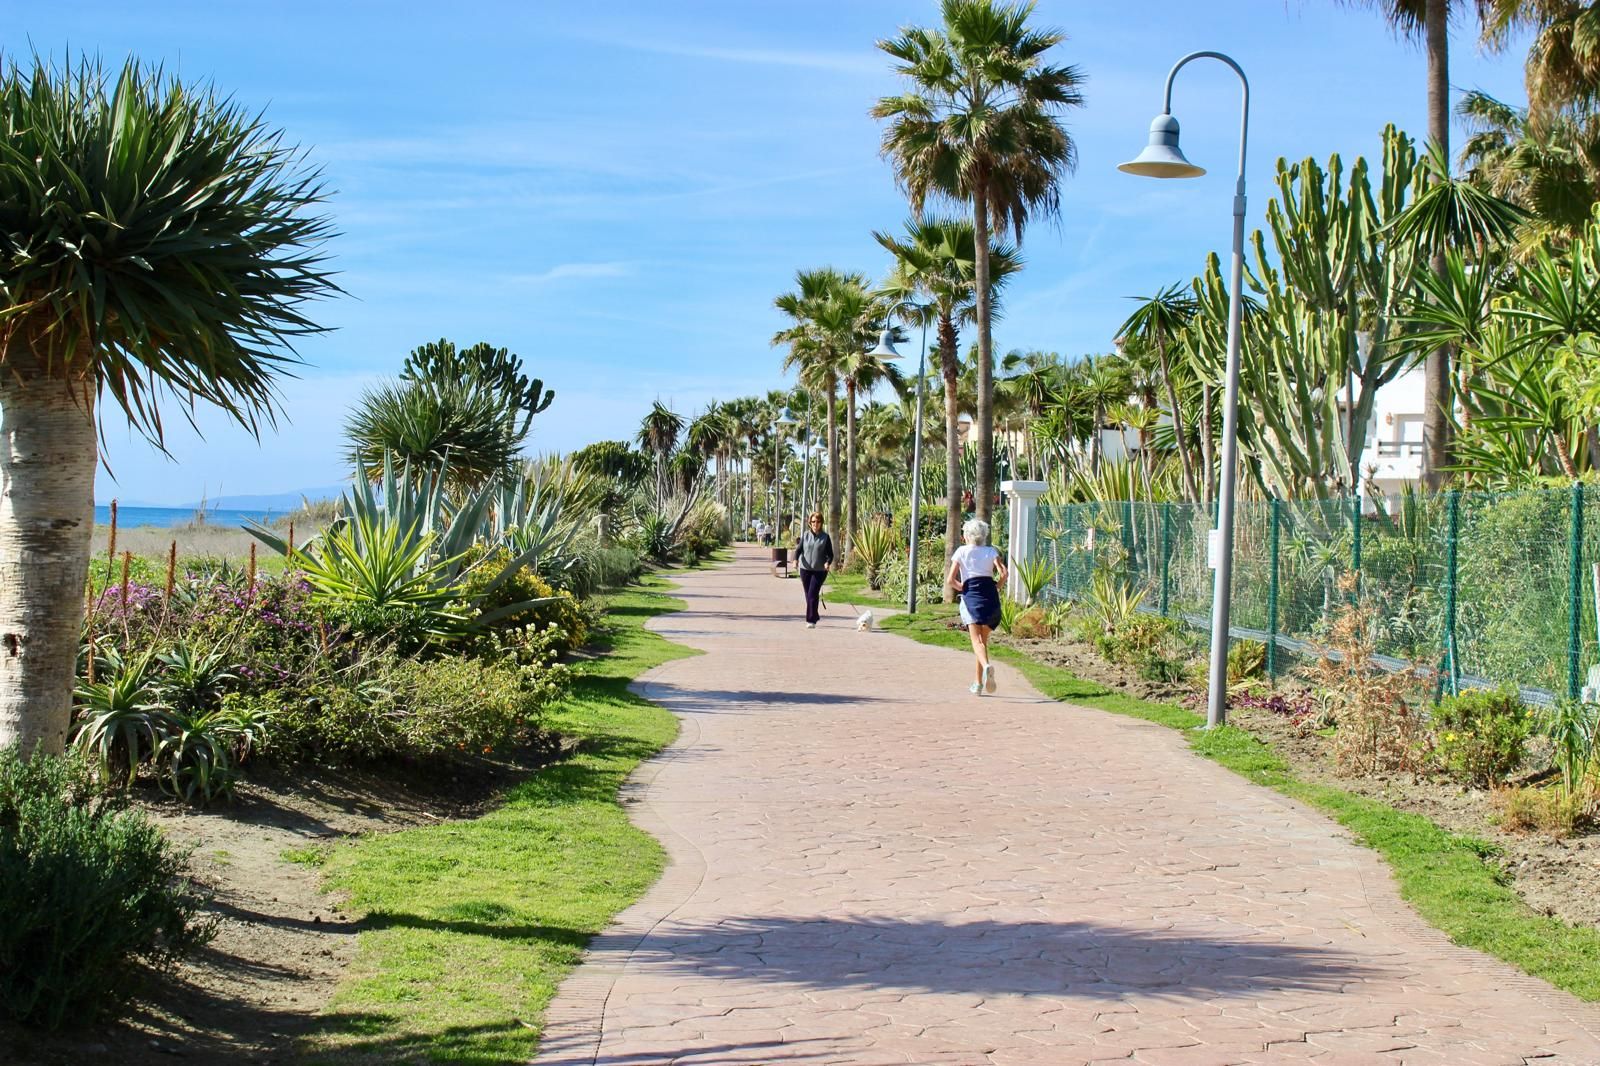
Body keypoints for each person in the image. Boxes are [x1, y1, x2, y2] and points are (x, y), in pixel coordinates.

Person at [947, 518, 1007, 695]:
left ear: (967, 536)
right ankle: (978, 683)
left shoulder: (961, 551)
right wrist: (998, 586)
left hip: (972, 599)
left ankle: (986, 666)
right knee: (983, 642)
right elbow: (1004, 573)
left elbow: (950, 580)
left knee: (976, 641)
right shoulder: (991, 551)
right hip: (991, 599)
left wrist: (963, 588)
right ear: (984, 536)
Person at [794, 511, 834, 628]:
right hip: (805, 569)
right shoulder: (805, 535)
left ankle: (811, 620)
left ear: (821, 523)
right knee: (809, 595)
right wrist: (795, 560)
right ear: (810, 523)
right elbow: (798, 550)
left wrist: (827, 562)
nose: (815, 524)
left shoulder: (825, 537)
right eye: (813, 521)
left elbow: (830, 554)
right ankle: (815, 615)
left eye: (818, 521)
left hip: (819, 571)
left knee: (812, 594)